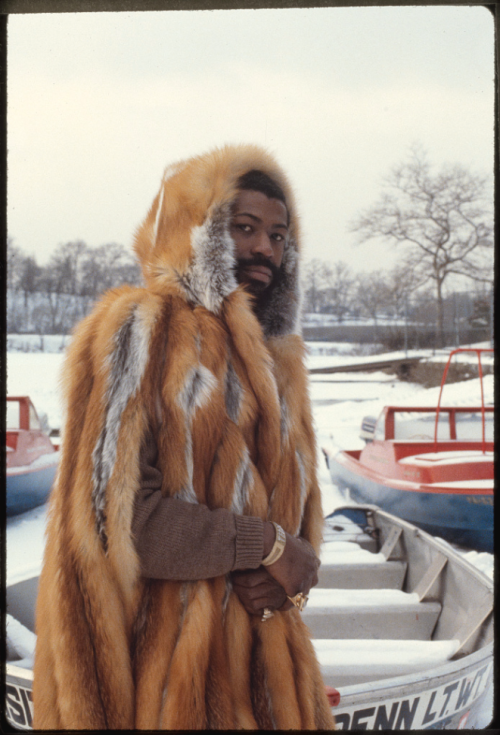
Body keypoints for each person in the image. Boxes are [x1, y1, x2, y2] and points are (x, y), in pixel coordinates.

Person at [33, 144, 336, 730]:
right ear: (195, 231)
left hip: (270, 675)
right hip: (166, 682)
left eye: (278, 235)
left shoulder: (281, 364)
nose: (264, 248)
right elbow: (119, 521)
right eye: (244, 228)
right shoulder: (140, 332)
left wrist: (291, 580)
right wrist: (268, 545)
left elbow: (295, 529)